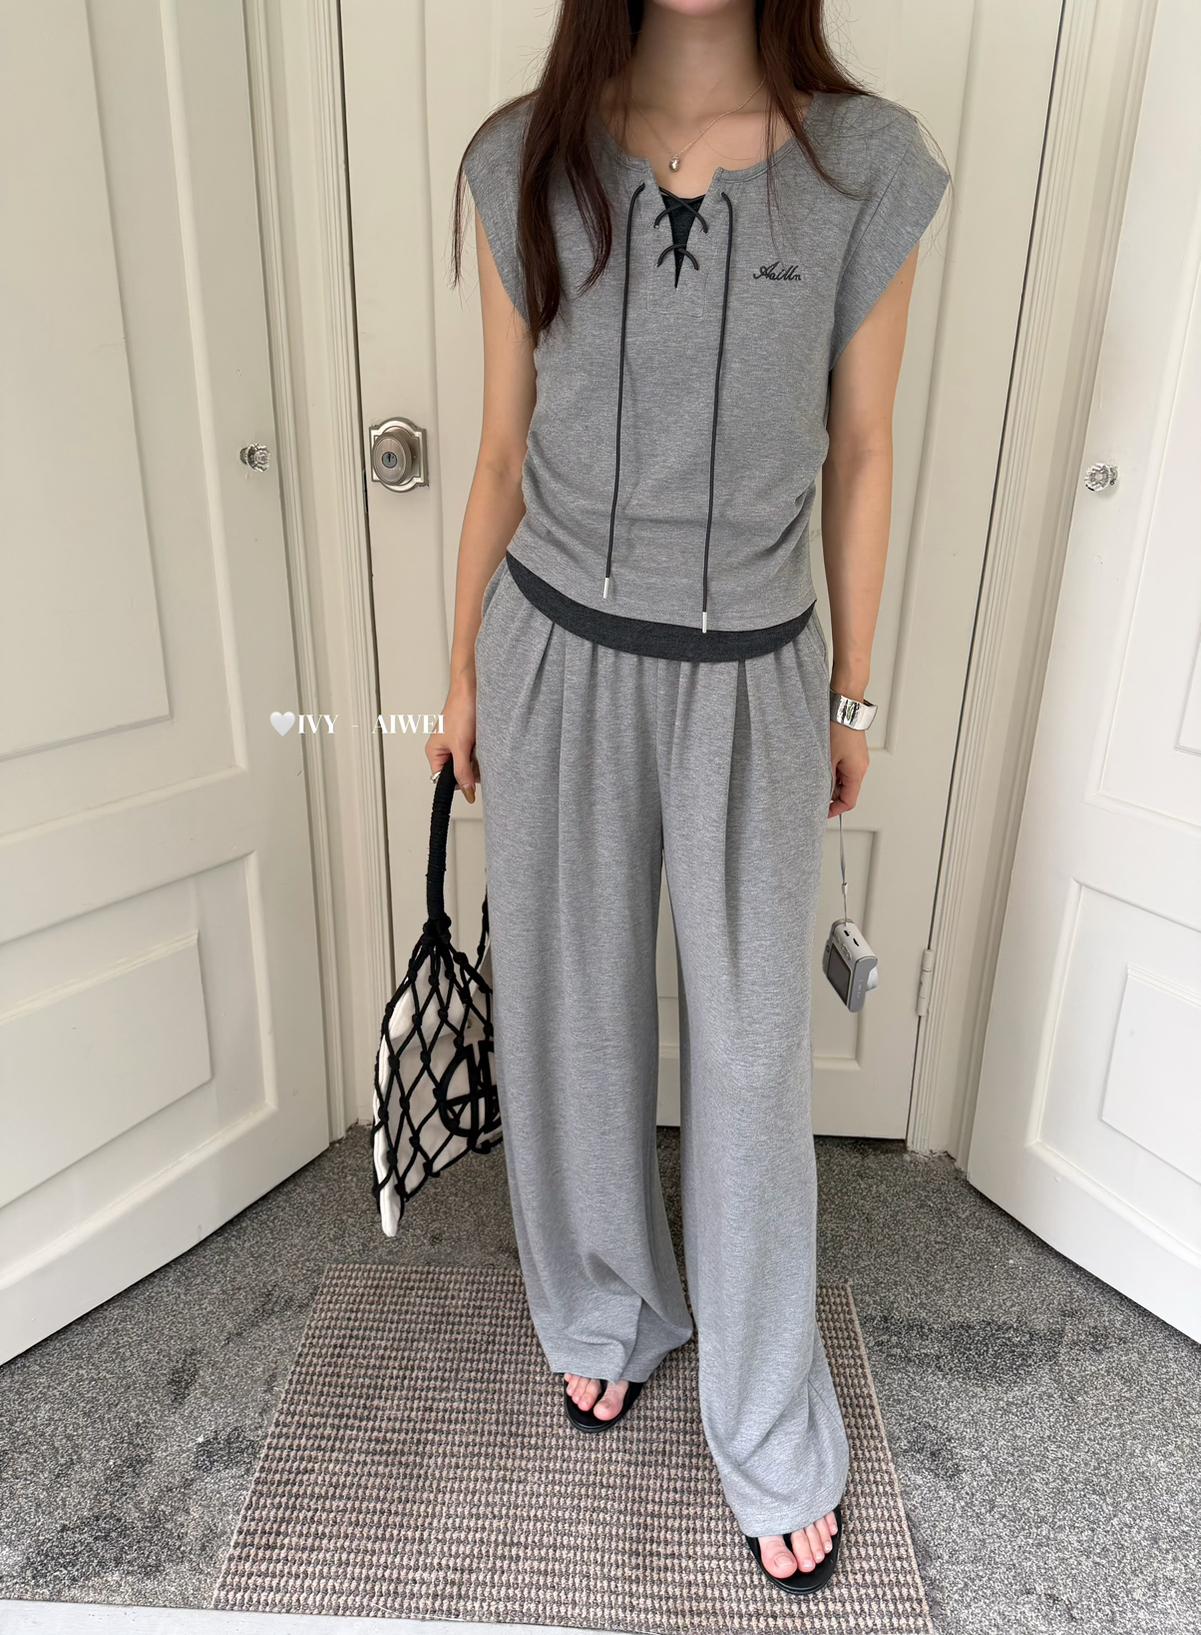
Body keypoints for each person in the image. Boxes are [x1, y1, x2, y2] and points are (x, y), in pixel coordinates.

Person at [426, 0, 949, 1597]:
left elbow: (862, 450)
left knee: (749, 1052)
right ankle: (604, 1305)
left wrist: (854, 688)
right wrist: (458, 676)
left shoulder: (863, 163)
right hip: (550, 652)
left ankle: (768, 1416)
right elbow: (501, 451)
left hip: (756, 676)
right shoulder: (521, 157)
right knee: (570, 1015)